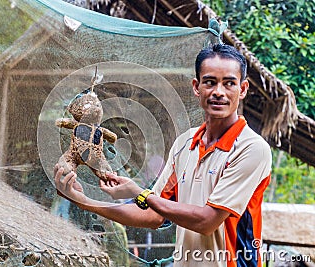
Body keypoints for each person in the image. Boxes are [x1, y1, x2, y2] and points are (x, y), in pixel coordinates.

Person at [54, 44, 272, 267]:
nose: (219, 91)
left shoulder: (251, 149)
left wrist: (139, 193)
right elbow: (153, 215)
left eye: (229, 83)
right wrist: (82, 200)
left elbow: (207, 221)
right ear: (197, 87)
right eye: (210, 82)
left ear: (243, 89)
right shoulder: (184, 144)